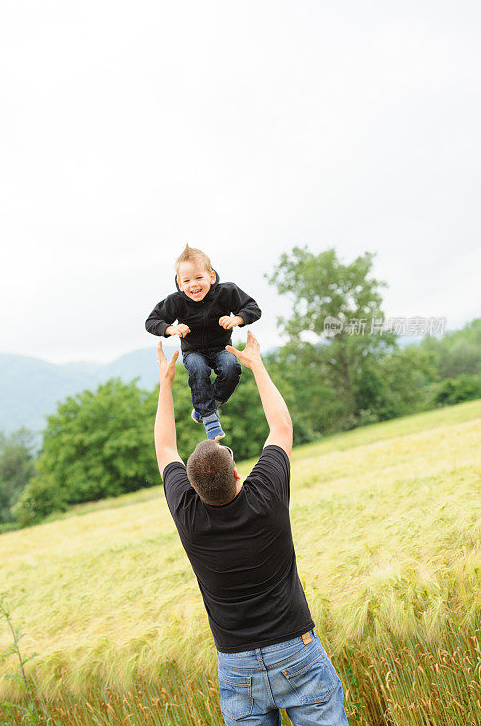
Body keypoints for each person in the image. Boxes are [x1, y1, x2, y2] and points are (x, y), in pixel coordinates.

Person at [154, 331, 350, 726]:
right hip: (296, 651)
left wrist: (166, 382)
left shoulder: (188, 516)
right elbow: (281, 427)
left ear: (190, 488)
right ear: (239, 474)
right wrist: (256, 365)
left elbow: (164, 448)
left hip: (237, 667)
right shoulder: (265, 497)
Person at [146, 244, 261, 440]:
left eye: (199, 278)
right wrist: (171, 329)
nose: (194, 285)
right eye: (187, 281)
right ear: (180, 284)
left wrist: (237, 319)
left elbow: (253, 308)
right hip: (193, 352)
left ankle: (204, 407)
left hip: (221, 347)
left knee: (232, 367)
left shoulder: (227, 292)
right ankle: (211, 422)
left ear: (211, 276)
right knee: (198, 369)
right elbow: (151, 321)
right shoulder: (176, 301)